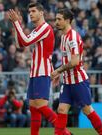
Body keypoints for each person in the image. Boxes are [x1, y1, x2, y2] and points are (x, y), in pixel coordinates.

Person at [7, 3, 70, 135]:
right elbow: (20, 43)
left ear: (41, 13)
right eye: (29, 11)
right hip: (35, 72)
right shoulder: (36, 30)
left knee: (41, 106)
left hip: (42, 72)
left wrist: (17, 23)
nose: (31, 13)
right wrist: (15, 24)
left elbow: (25, 42)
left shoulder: (45, 28)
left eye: (34, 11)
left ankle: (65, 132)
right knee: (34, 108)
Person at [51, 8, 102, 135]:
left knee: (87, 110)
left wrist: (58, 70)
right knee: (61, 109)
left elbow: (75, 61)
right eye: (56, 19)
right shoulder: (64, 36)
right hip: (67, 81)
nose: (56, 22)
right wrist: (60, 74)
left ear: (68, 20)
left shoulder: (72, 37)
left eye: (59, 19)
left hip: (78, 81)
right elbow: (68, 60)